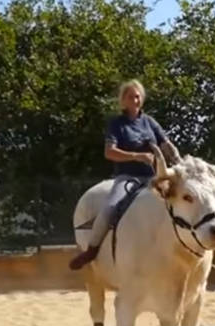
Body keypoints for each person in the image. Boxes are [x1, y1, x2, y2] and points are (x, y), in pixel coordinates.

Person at [69, 79, 181, 270]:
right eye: (130, 97)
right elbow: (109, 152)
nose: (135, 100)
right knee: (110, 208)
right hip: (128, 178)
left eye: (137, 96)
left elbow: (166, 144)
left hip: (154, 178)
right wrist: (137, 156)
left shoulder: (150, 122)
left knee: (180, 204)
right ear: (123, 100)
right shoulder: (116, 124)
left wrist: (178, 159)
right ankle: (91, 250)